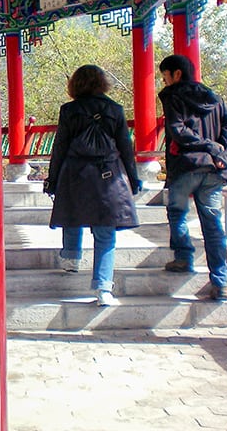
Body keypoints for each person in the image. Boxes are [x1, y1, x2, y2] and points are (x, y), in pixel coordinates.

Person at [44, 64, 140, 307]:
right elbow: (125, 148)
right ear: (102, 83)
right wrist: (133, 178)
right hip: (108, 174)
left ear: (75, 84)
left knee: (73, 214)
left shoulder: (69, 110)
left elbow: (60, 148)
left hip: (74, 171)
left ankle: (71, 258)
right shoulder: (115, 110)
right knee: (105, 232)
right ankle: (103, 288)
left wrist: (52, 180)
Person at [158, 54, 227, 300]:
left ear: (177, 74)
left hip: (186, 166)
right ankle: (221, 281)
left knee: (177, 213)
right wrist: (221, 152)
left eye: (165, 76)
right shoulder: (214, 97)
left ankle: (183, 257)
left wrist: (209, 148)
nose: (165, 82)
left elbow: (177, 130)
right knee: (213, 226)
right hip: (214, 169)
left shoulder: (173, 96)